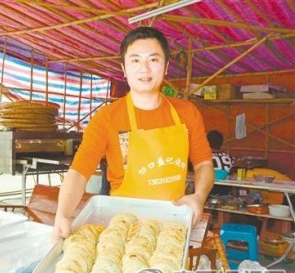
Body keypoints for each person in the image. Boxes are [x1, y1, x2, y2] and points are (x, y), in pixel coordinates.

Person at [52, 27, 214, 241]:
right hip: (123, 226)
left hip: (172, 224)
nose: (144, 68)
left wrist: (199, 197)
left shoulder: (187, 112)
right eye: (135, 60)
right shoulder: (107, 117)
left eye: (153, 60)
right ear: (124, 68)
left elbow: (204, 164)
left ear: (166, 67)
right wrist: (62, 214)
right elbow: (79, 172)